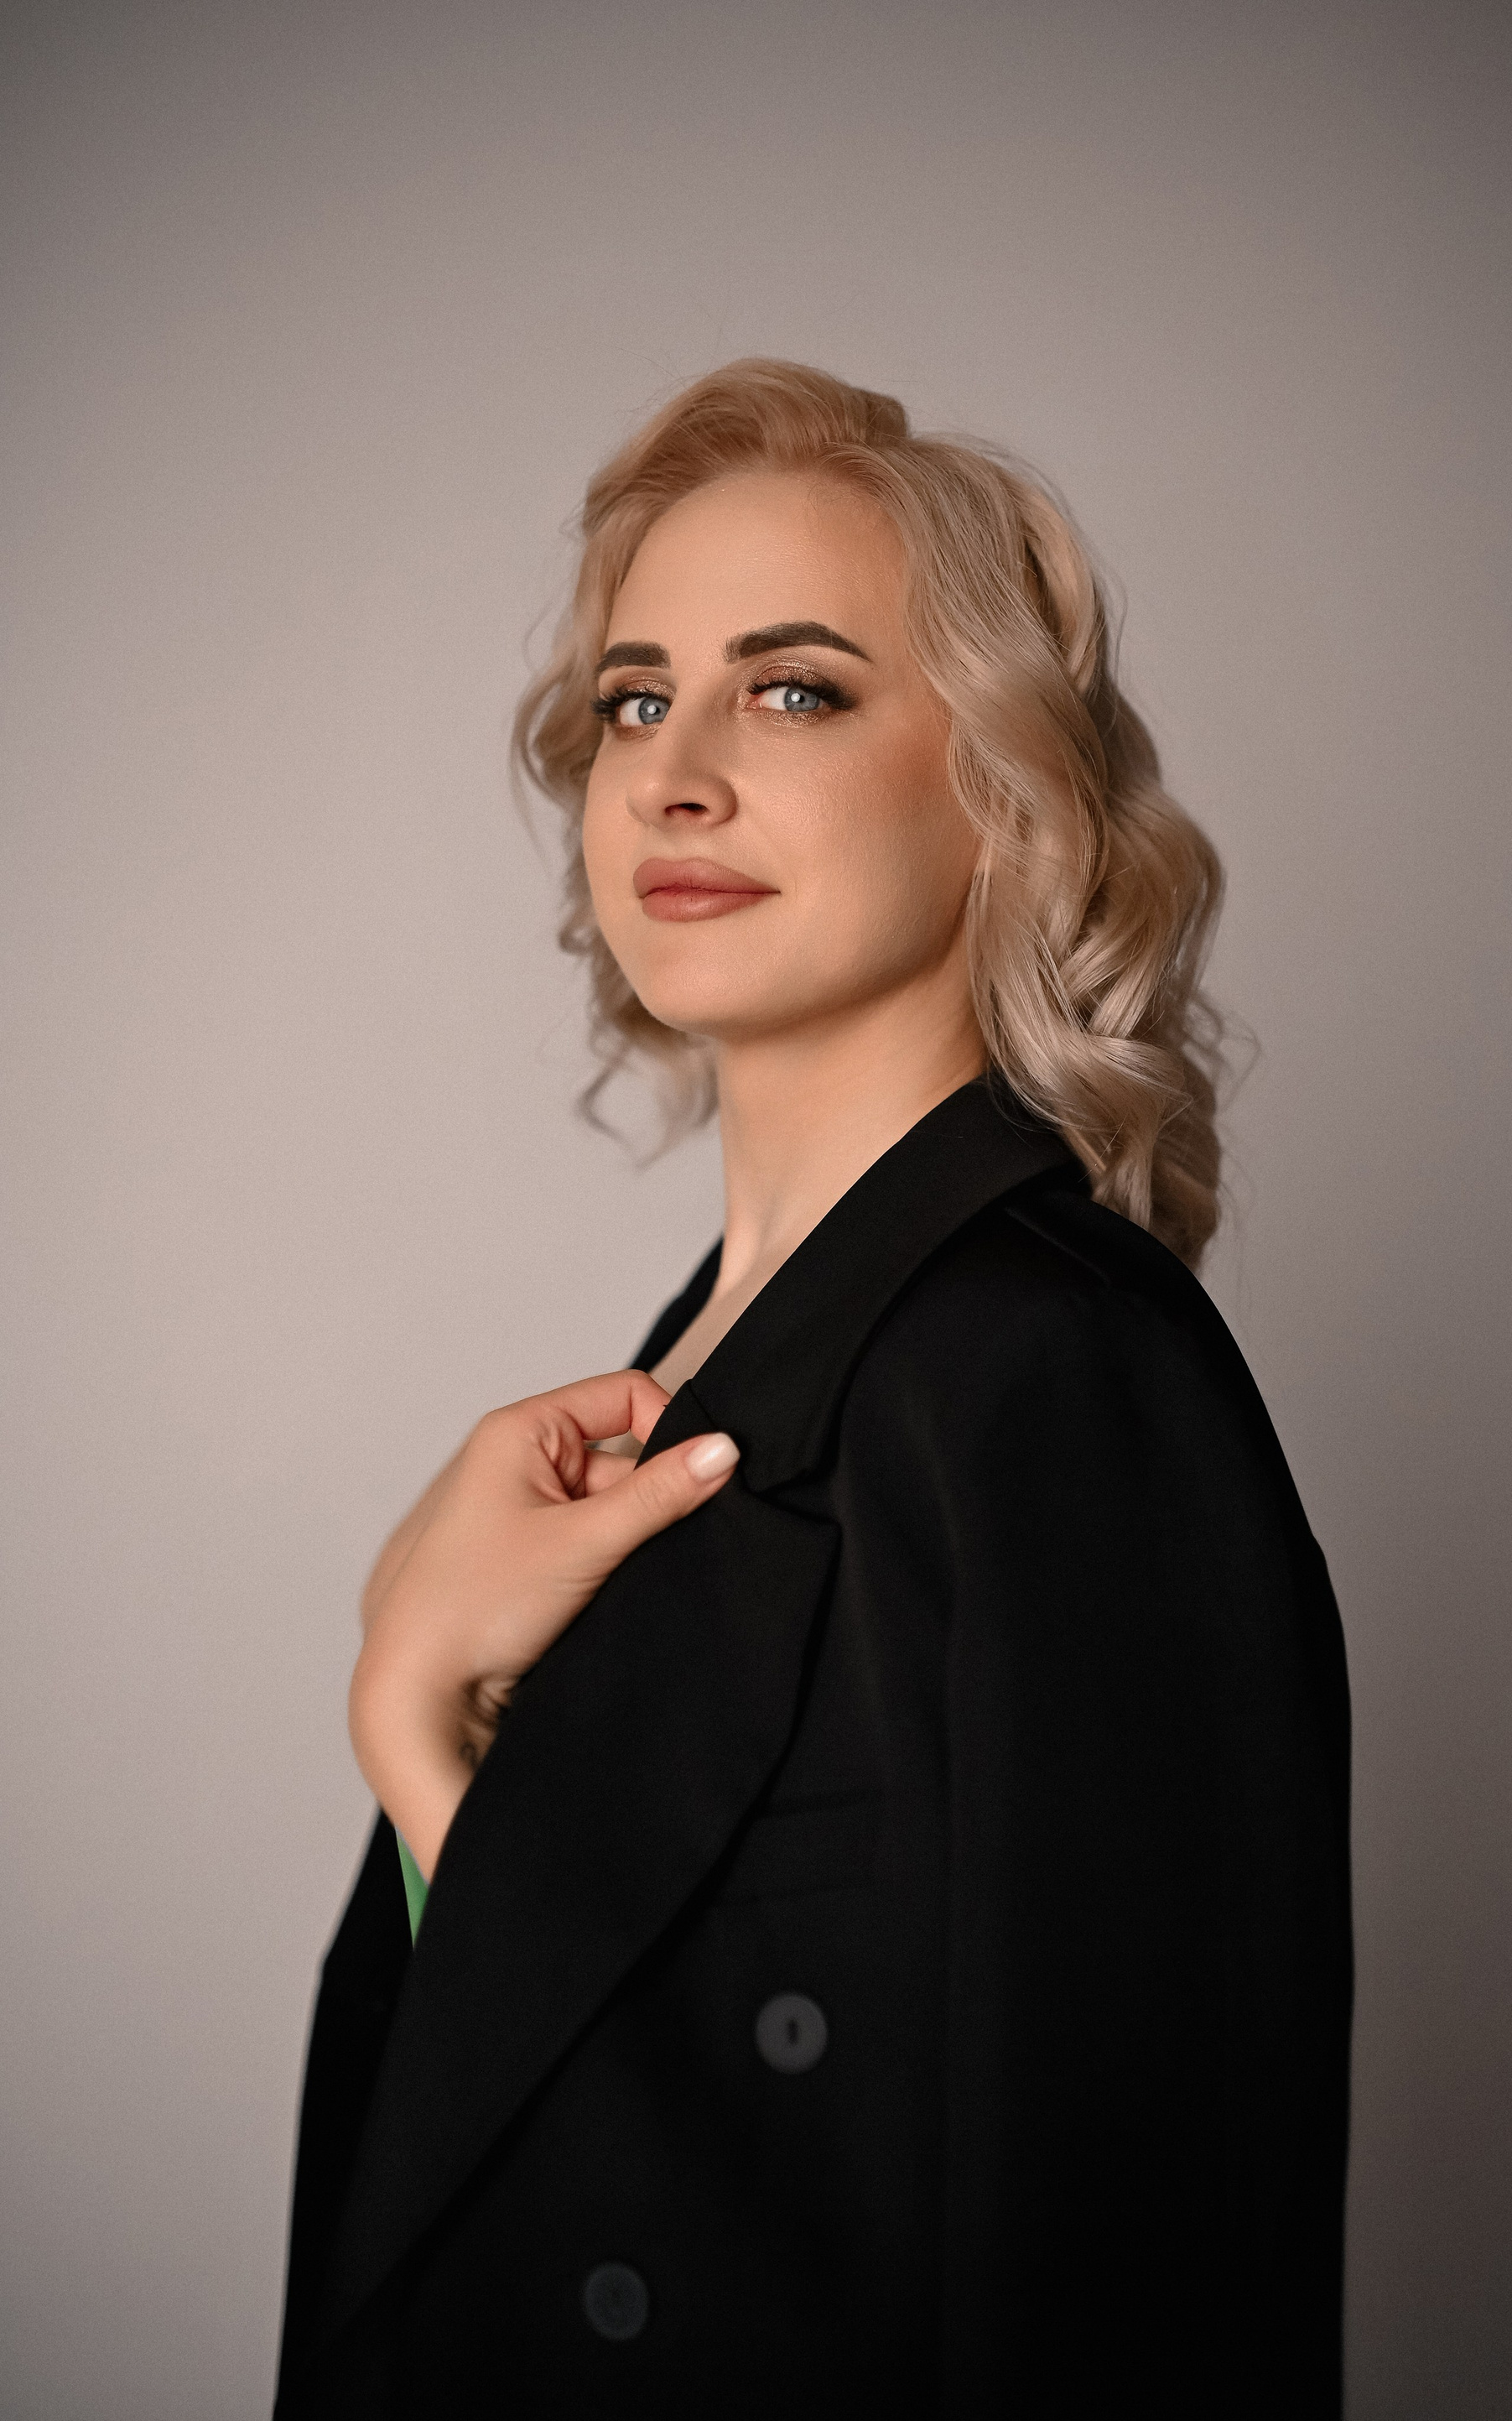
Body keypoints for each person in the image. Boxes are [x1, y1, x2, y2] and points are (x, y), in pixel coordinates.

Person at [275, 361, 1352, 2418]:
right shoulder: (688, 1374)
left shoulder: (1056, 1380)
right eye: (634, 702)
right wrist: (435, 1736)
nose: (673, 777)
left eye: (793, 691)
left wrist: (416, 1728)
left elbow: (1125, 2274)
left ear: (1006, 796)